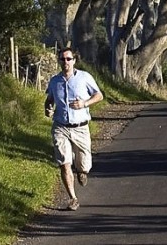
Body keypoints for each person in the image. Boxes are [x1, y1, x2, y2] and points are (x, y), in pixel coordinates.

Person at [44, 48, 104, 211]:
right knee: (64, 163)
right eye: (62, 60)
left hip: (80, 127)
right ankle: (73, 198)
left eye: (68, 59)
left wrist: (84, 104)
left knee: (84, 165)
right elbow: (49, 99)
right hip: (60, 127)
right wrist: (48, 109)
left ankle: (82, 171)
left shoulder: (84, 77)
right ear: (59, 61)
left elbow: (99, 96)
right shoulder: (54, 81)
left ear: (74, 60)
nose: (66, 62)